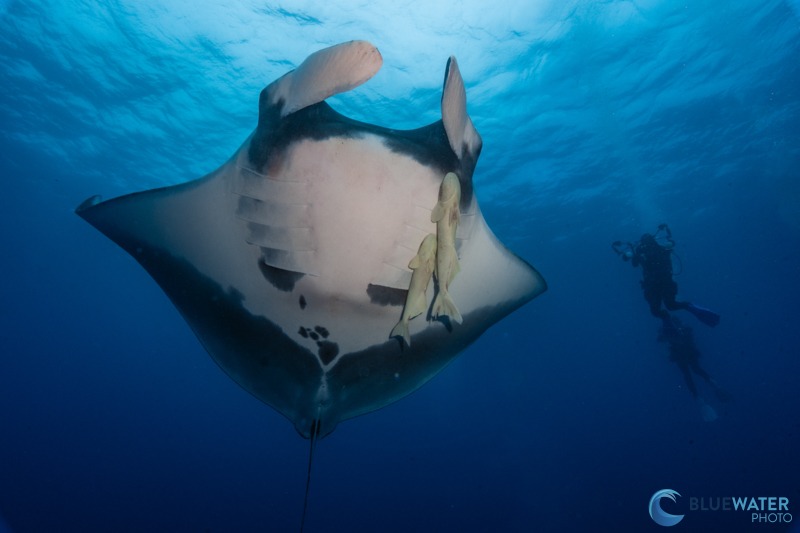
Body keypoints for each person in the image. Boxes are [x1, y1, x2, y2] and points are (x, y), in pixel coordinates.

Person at [614, 224, 720, 329]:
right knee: (672, 305)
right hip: (666, 282)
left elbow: (633, 264)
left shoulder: (641, 252)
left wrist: (632, 256)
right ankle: (688, 306)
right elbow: (670, 247)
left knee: (656, 311)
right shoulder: (661, 248)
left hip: (652, 286)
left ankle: (666, 318)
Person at [658, 317, 731, 421]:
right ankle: (712, 383)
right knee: (697, 370)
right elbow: (689, 332)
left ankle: (697, 397)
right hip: (689, 352)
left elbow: (662, 342)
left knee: (687, 376)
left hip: (679, 356)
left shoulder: (667, 329)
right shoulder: (678, 325)